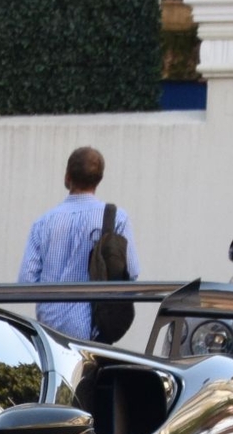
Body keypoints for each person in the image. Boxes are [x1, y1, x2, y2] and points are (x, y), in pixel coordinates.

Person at [18, 146, 141, 342]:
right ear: (99, 179)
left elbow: (26, 281)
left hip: (49, 331)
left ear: (67, 177)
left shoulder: (43, 223)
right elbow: (132, 272)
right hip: (93, 330)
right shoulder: (117, 218)